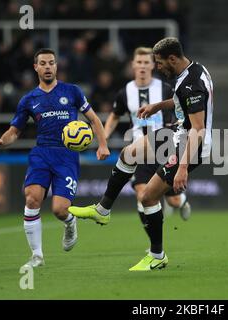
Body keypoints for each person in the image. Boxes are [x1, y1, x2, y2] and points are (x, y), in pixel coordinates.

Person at [69, 37, 214, 271]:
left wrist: (184, 168)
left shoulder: (191, 84)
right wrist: (158, 106)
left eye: (159, 63)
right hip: (178, 133)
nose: (157, 67)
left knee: (147, 197)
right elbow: (182, 102)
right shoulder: (194, 70)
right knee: (129, 152)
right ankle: (103, 209)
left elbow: (198, 129)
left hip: (191, 145)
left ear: (173, 59)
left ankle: (157, 255)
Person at [0, 48, 110, 268]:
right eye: (43, 63)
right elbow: (14, 131)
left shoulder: (72, 91)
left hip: (66, 155)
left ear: (56, 66)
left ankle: (70, 222)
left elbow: (93, 119)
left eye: (51, 63)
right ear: (35, 67)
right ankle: (37, 255)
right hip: (42, 152)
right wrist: (1, 141)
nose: (47, 67)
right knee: (32, 198)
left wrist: (102, 144)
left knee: (59, 209)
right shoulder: (28, 99)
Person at [104, 47, 191, 226]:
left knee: (171, 200)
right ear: (133, 65)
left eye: (146, 62)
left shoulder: (165, 89)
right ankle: (154, 242)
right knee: (142, 197)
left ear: (153, 65)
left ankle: (180, 201)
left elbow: (180, 108)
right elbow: (114, 115)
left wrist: (176, 124)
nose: (142, 66)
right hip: (140, 151)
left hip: (163, 149)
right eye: (139, 62)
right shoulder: (125, 92)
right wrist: (104, 138)